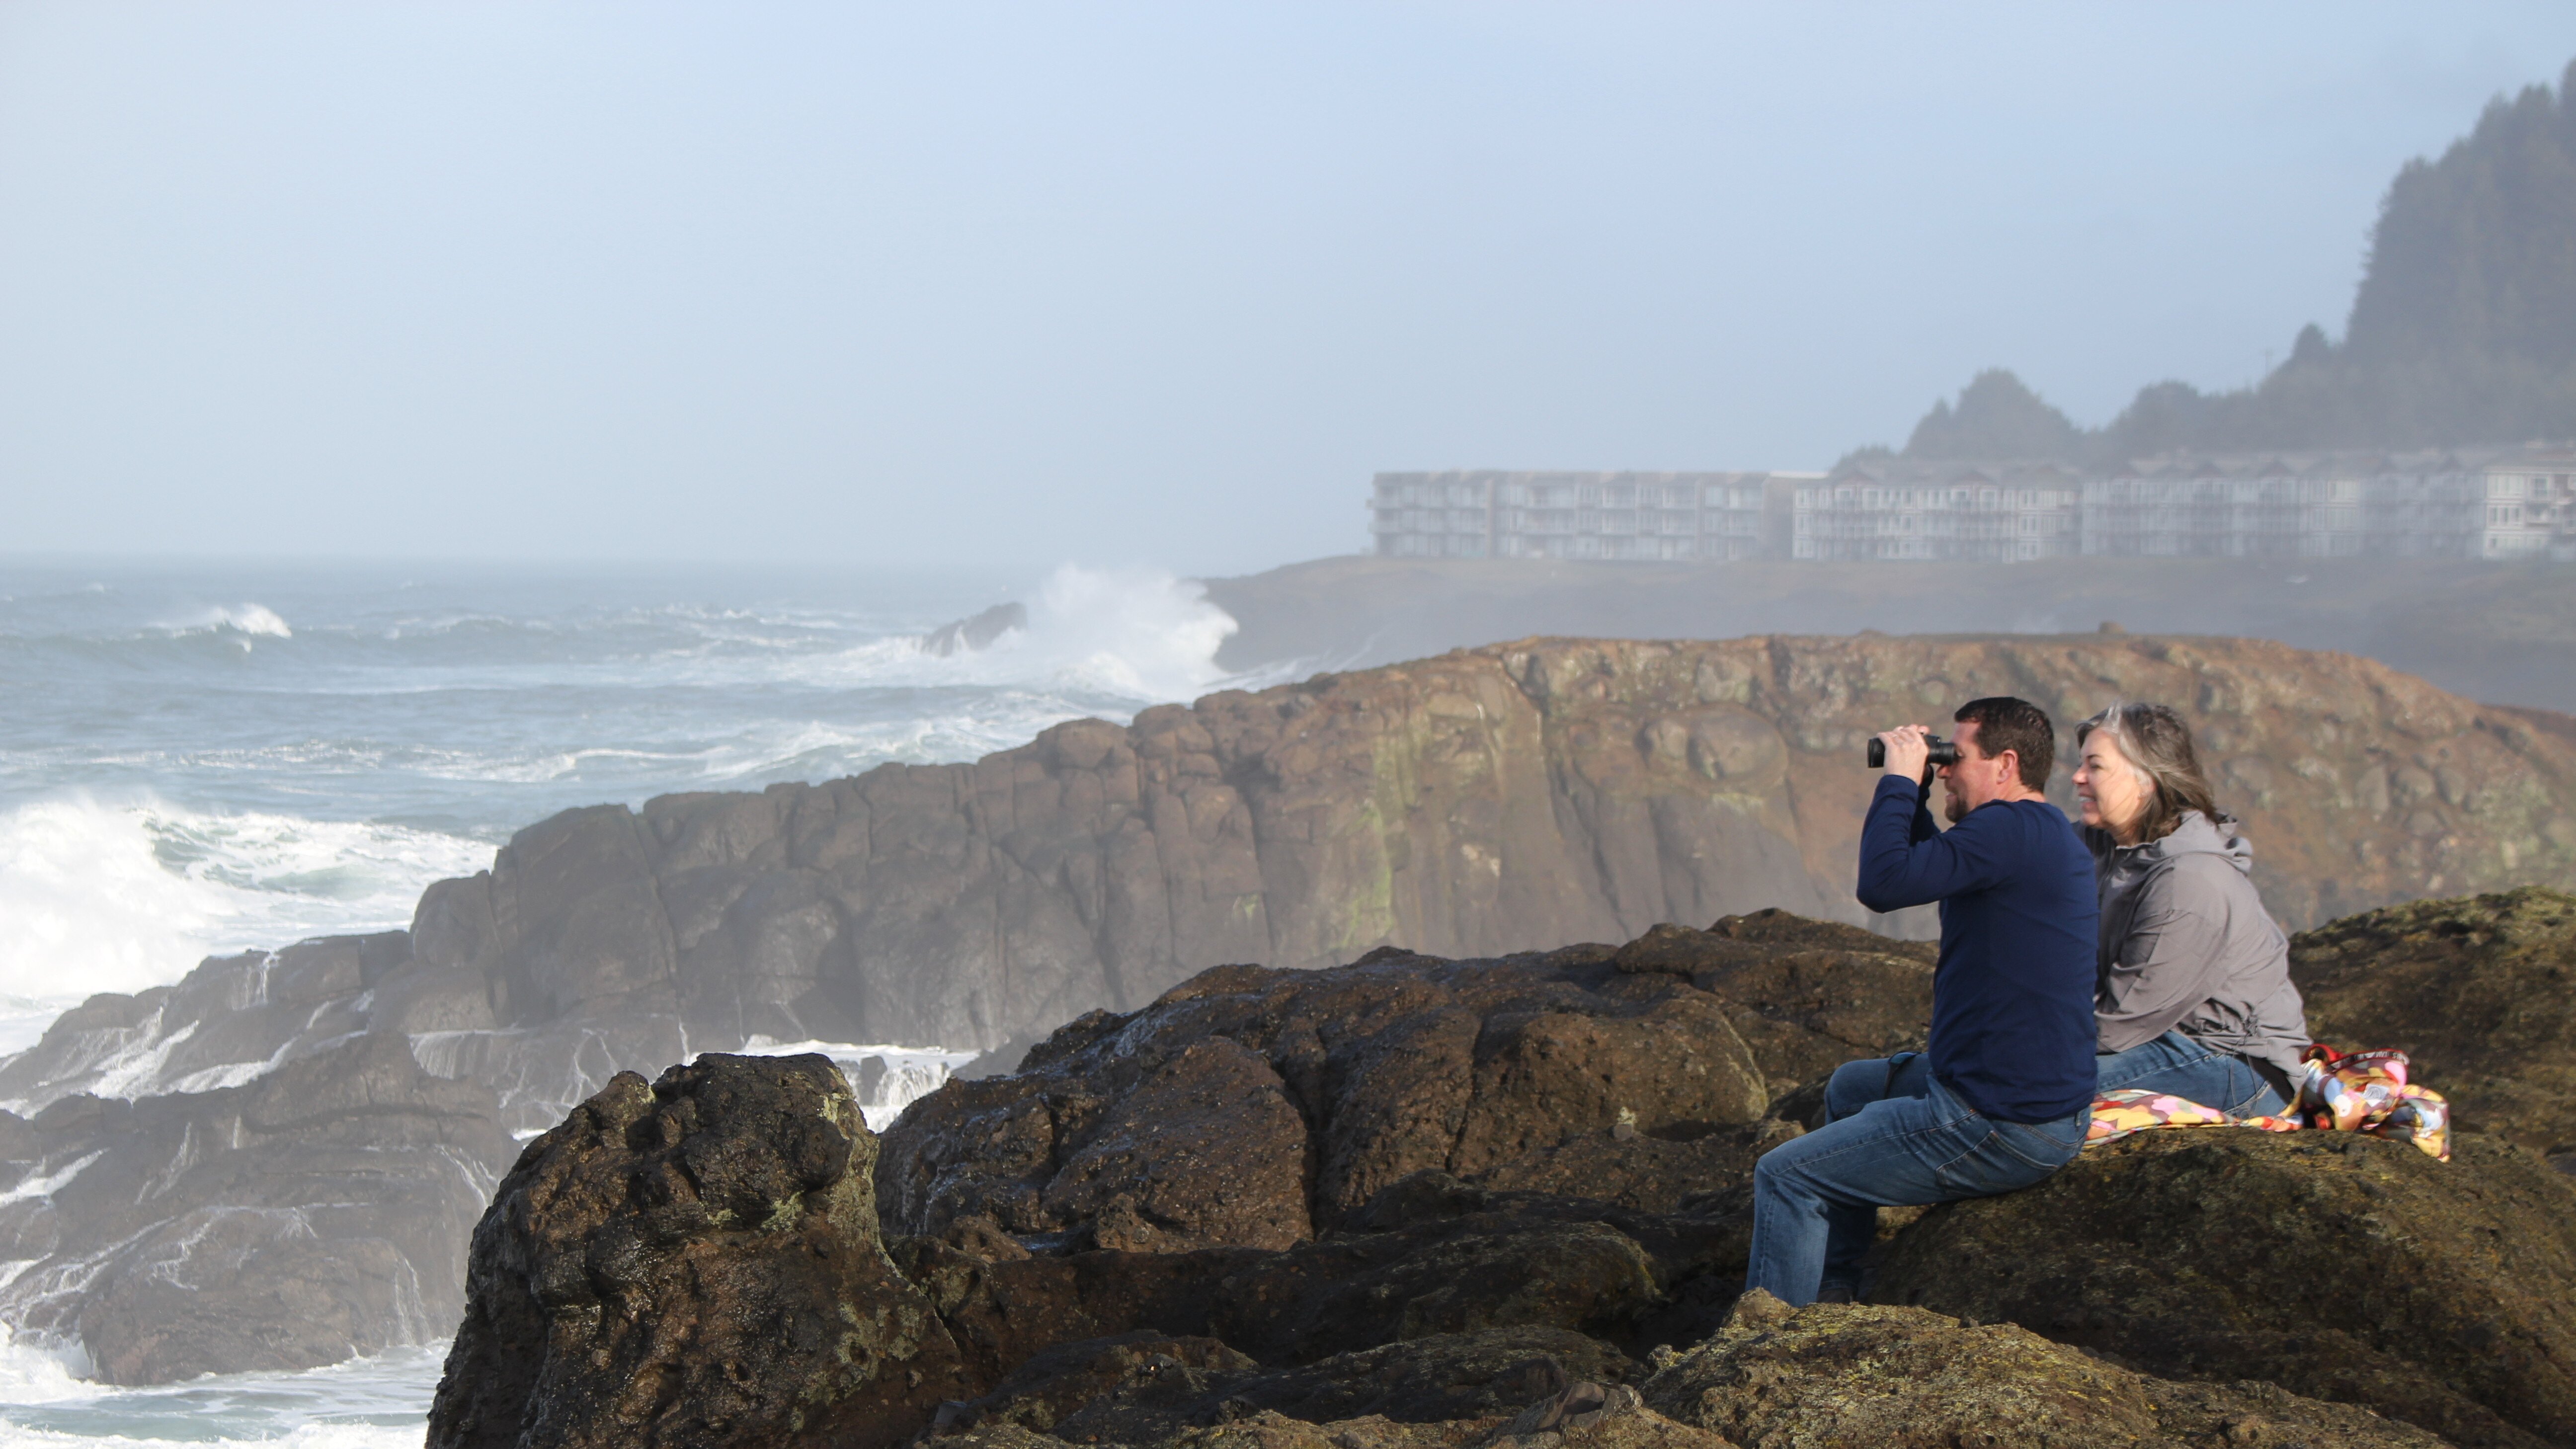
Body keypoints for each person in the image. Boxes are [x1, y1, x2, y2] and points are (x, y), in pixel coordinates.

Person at [1745, 697, 2098, 1308]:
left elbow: (1884, 884)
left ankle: (1767, 1341)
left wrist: (1899, 782)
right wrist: (1914, 794)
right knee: (1852, 1088)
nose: (1944, 769)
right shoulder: (2035, 832)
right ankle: (1833, 1287)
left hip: (1999, 1121)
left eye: (1955, 757)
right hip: (2035, 1105)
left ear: (2005, 765)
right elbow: (1930, 866)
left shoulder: (2006, 831)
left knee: (1784, 1175)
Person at [2071, 702, 2310, 1117]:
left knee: (2024, 1087)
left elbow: (2116, 1026)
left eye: (2095, 766)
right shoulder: (2104, 847)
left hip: (2235, 1064)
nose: (2077, 777)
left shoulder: (2191, 880)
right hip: (2160, 1039)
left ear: (2147, 780)